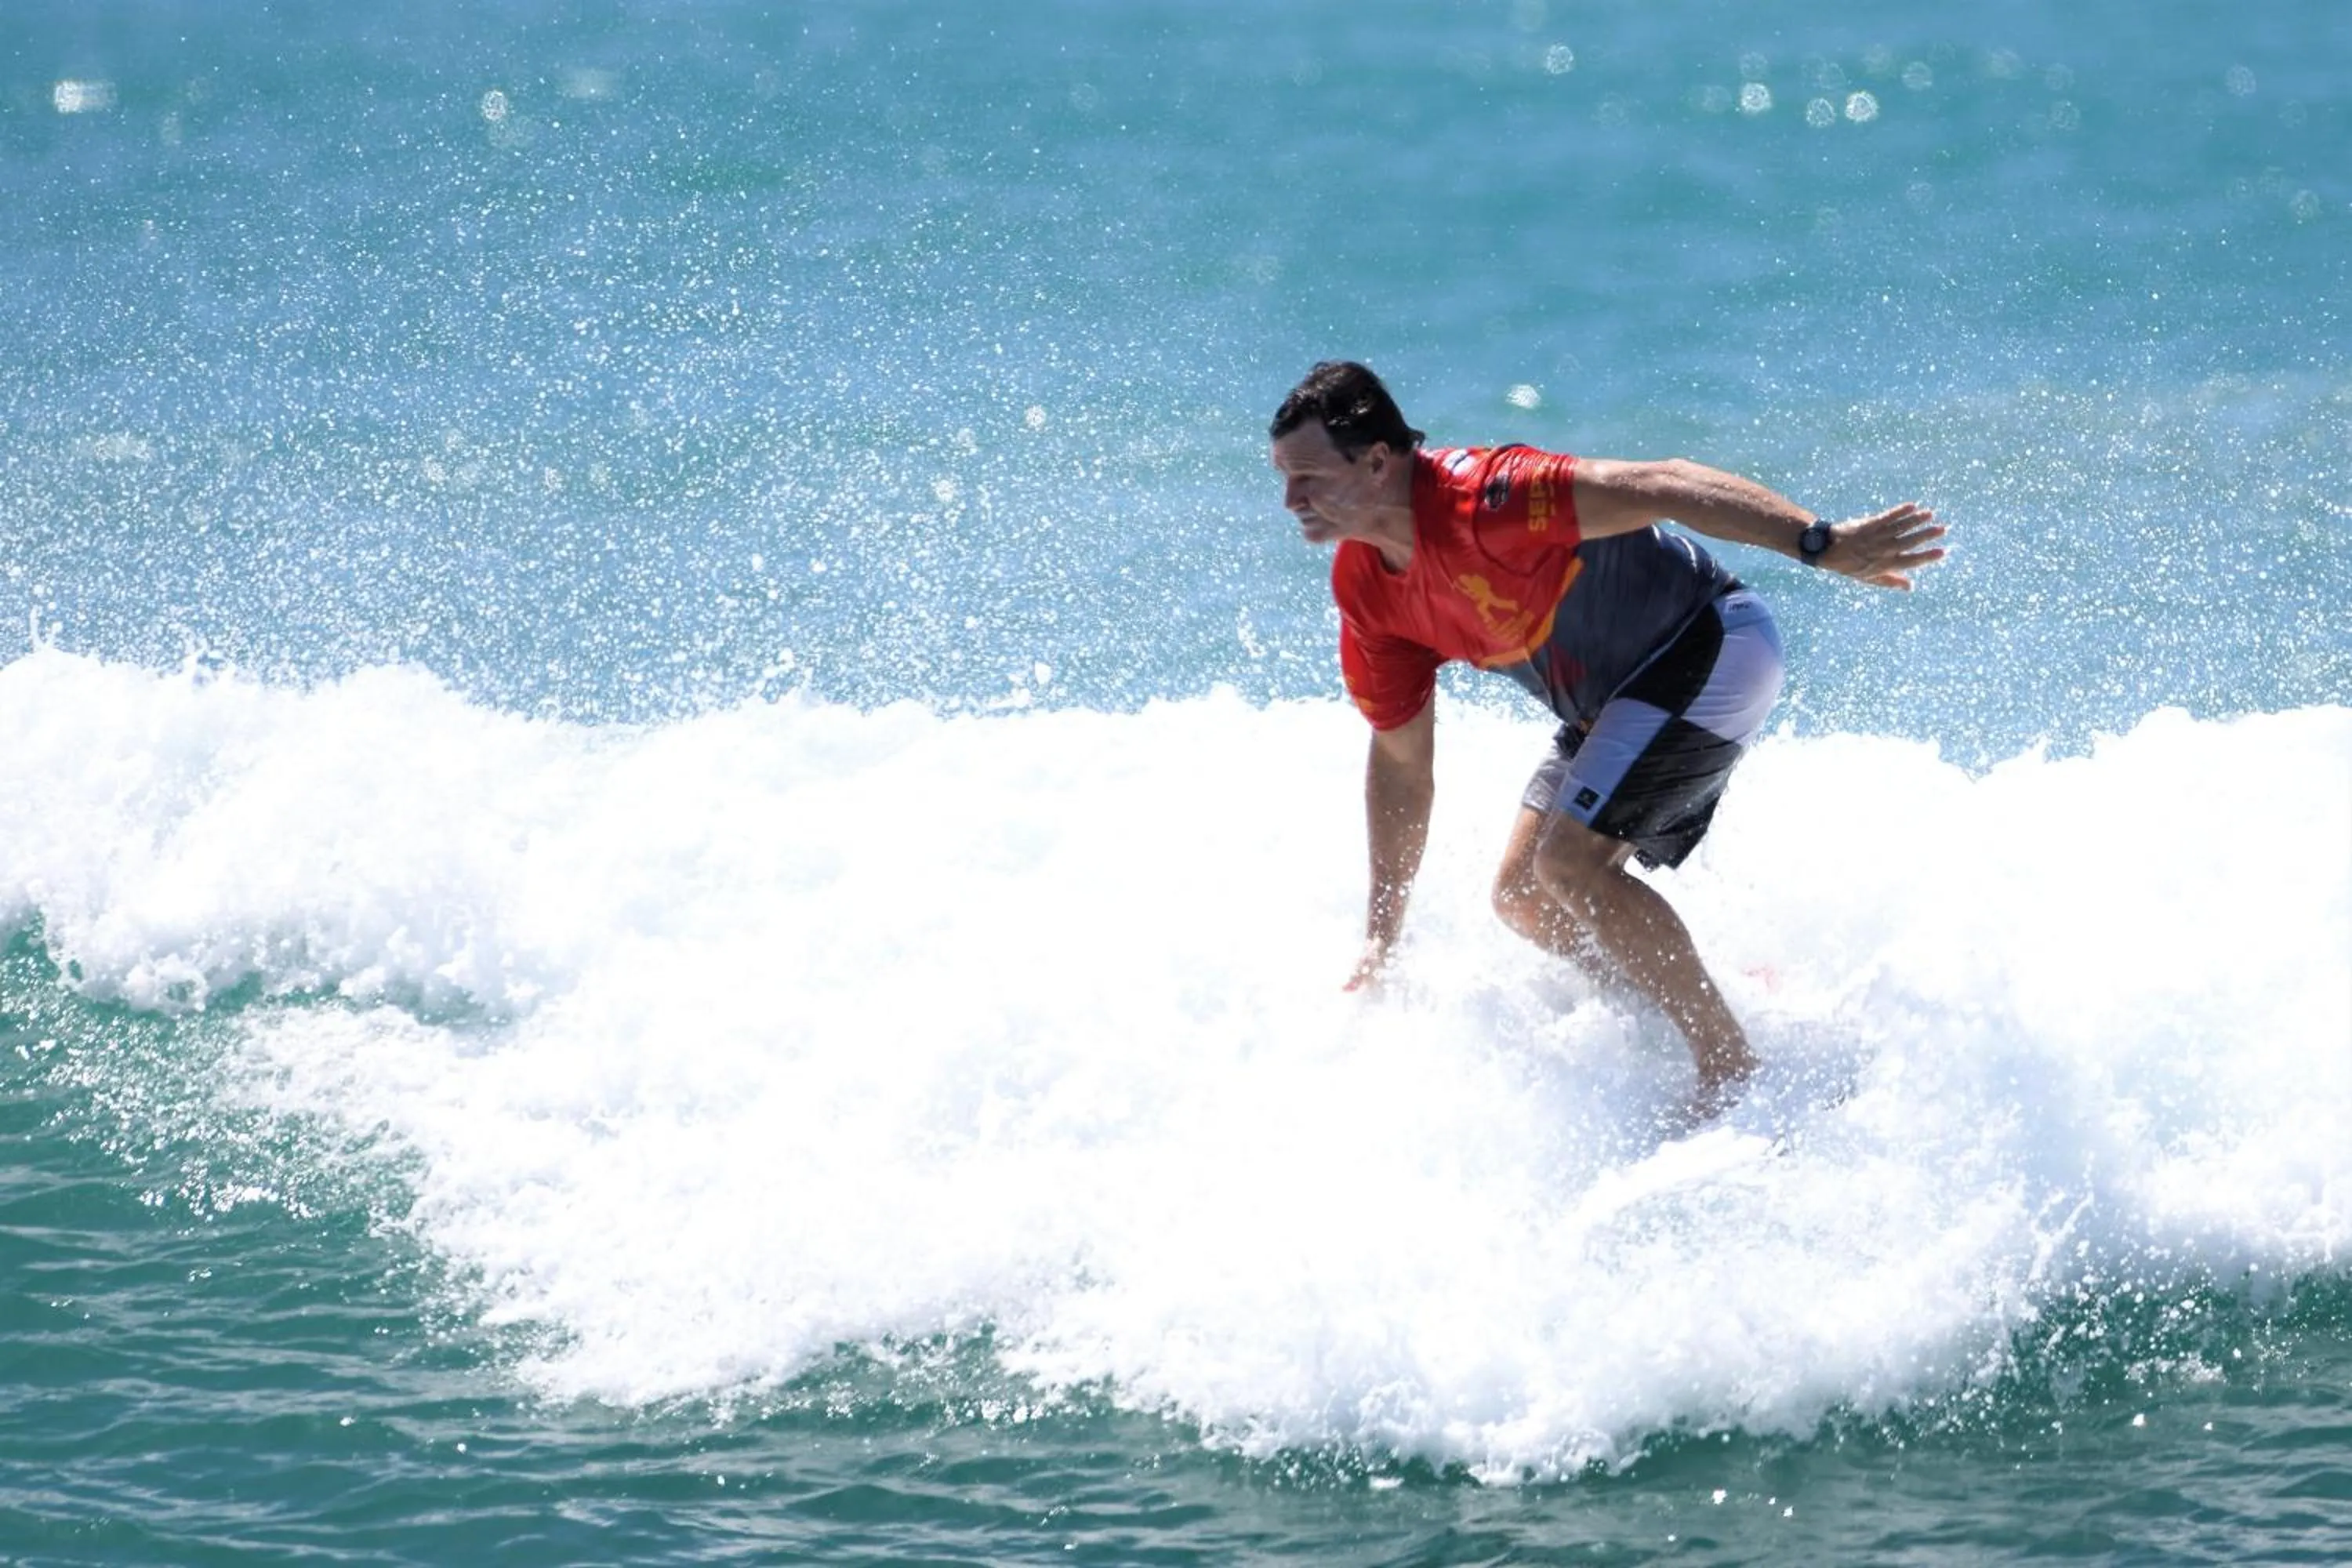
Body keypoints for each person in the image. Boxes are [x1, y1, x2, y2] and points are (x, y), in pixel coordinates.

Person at [1269, 360, 1945, 1119]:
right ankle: (1700, 1004)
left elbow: (1667, 482)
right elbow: (1400, 762)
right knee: (1523, 893)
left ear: (1378, 460)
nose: (1291, 500)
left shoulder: (1492, 497)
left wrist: (1822, 544)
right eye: (1283, 478)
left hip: (1712, 642)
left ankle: (1732, 1066)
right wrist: (1381, 935)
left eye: (1308, 478)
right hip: (1617, 701)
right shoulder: (1366, 589)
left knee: (1570, 863)